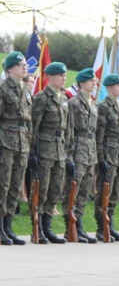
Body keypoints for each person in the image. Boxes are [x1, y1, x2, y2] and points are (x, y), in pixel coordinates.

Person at [30, 62, 71, 244]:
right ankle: (37, 229)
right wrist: (32, 153)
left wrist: (67, 152)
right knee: (42, 189)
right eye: (60, 75)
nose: (63, 78)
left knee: (55, 189)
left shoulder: (63, 98)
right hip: (44, 149)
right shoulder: (41, 98)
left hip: (59, 150)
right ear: (50, 77)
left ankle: (48, 227)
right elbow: (33, 127)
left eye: (64, 75)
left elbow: (66, 128)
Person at [61, 68, 98, 243]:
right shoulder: (74, 104)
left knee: (84, 190)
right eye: (91, 80)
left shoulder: (93, 103)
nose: (94, 83)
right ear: (82, 83)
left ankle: (80, 224)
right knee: (72, 189)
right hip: (77, 150)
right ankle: (71, 226)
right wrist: (68, 157)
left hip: (90, 151)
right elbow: (69, 132)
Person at [0, 52, 33, 245]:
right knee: (2, 186)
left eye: (25, 64)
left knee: (14, 186)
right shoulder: (3, 89)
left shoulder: (25, 90)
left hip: (22, 142)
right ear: (10, 69)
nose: (24, 67)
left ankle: (8, 226)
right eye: (20, 64)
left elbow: (28, 120)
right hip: (5, 142)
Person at [94, 74, 119, 242]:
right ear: (109, 88)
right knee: (104, 191)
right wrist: (101, 159)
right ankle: (102, 227)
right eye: (117, 85)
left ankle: (111, 224)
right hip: (108, 153)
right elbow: (99, 135)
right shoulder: (103, 107)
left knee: (115, 192)